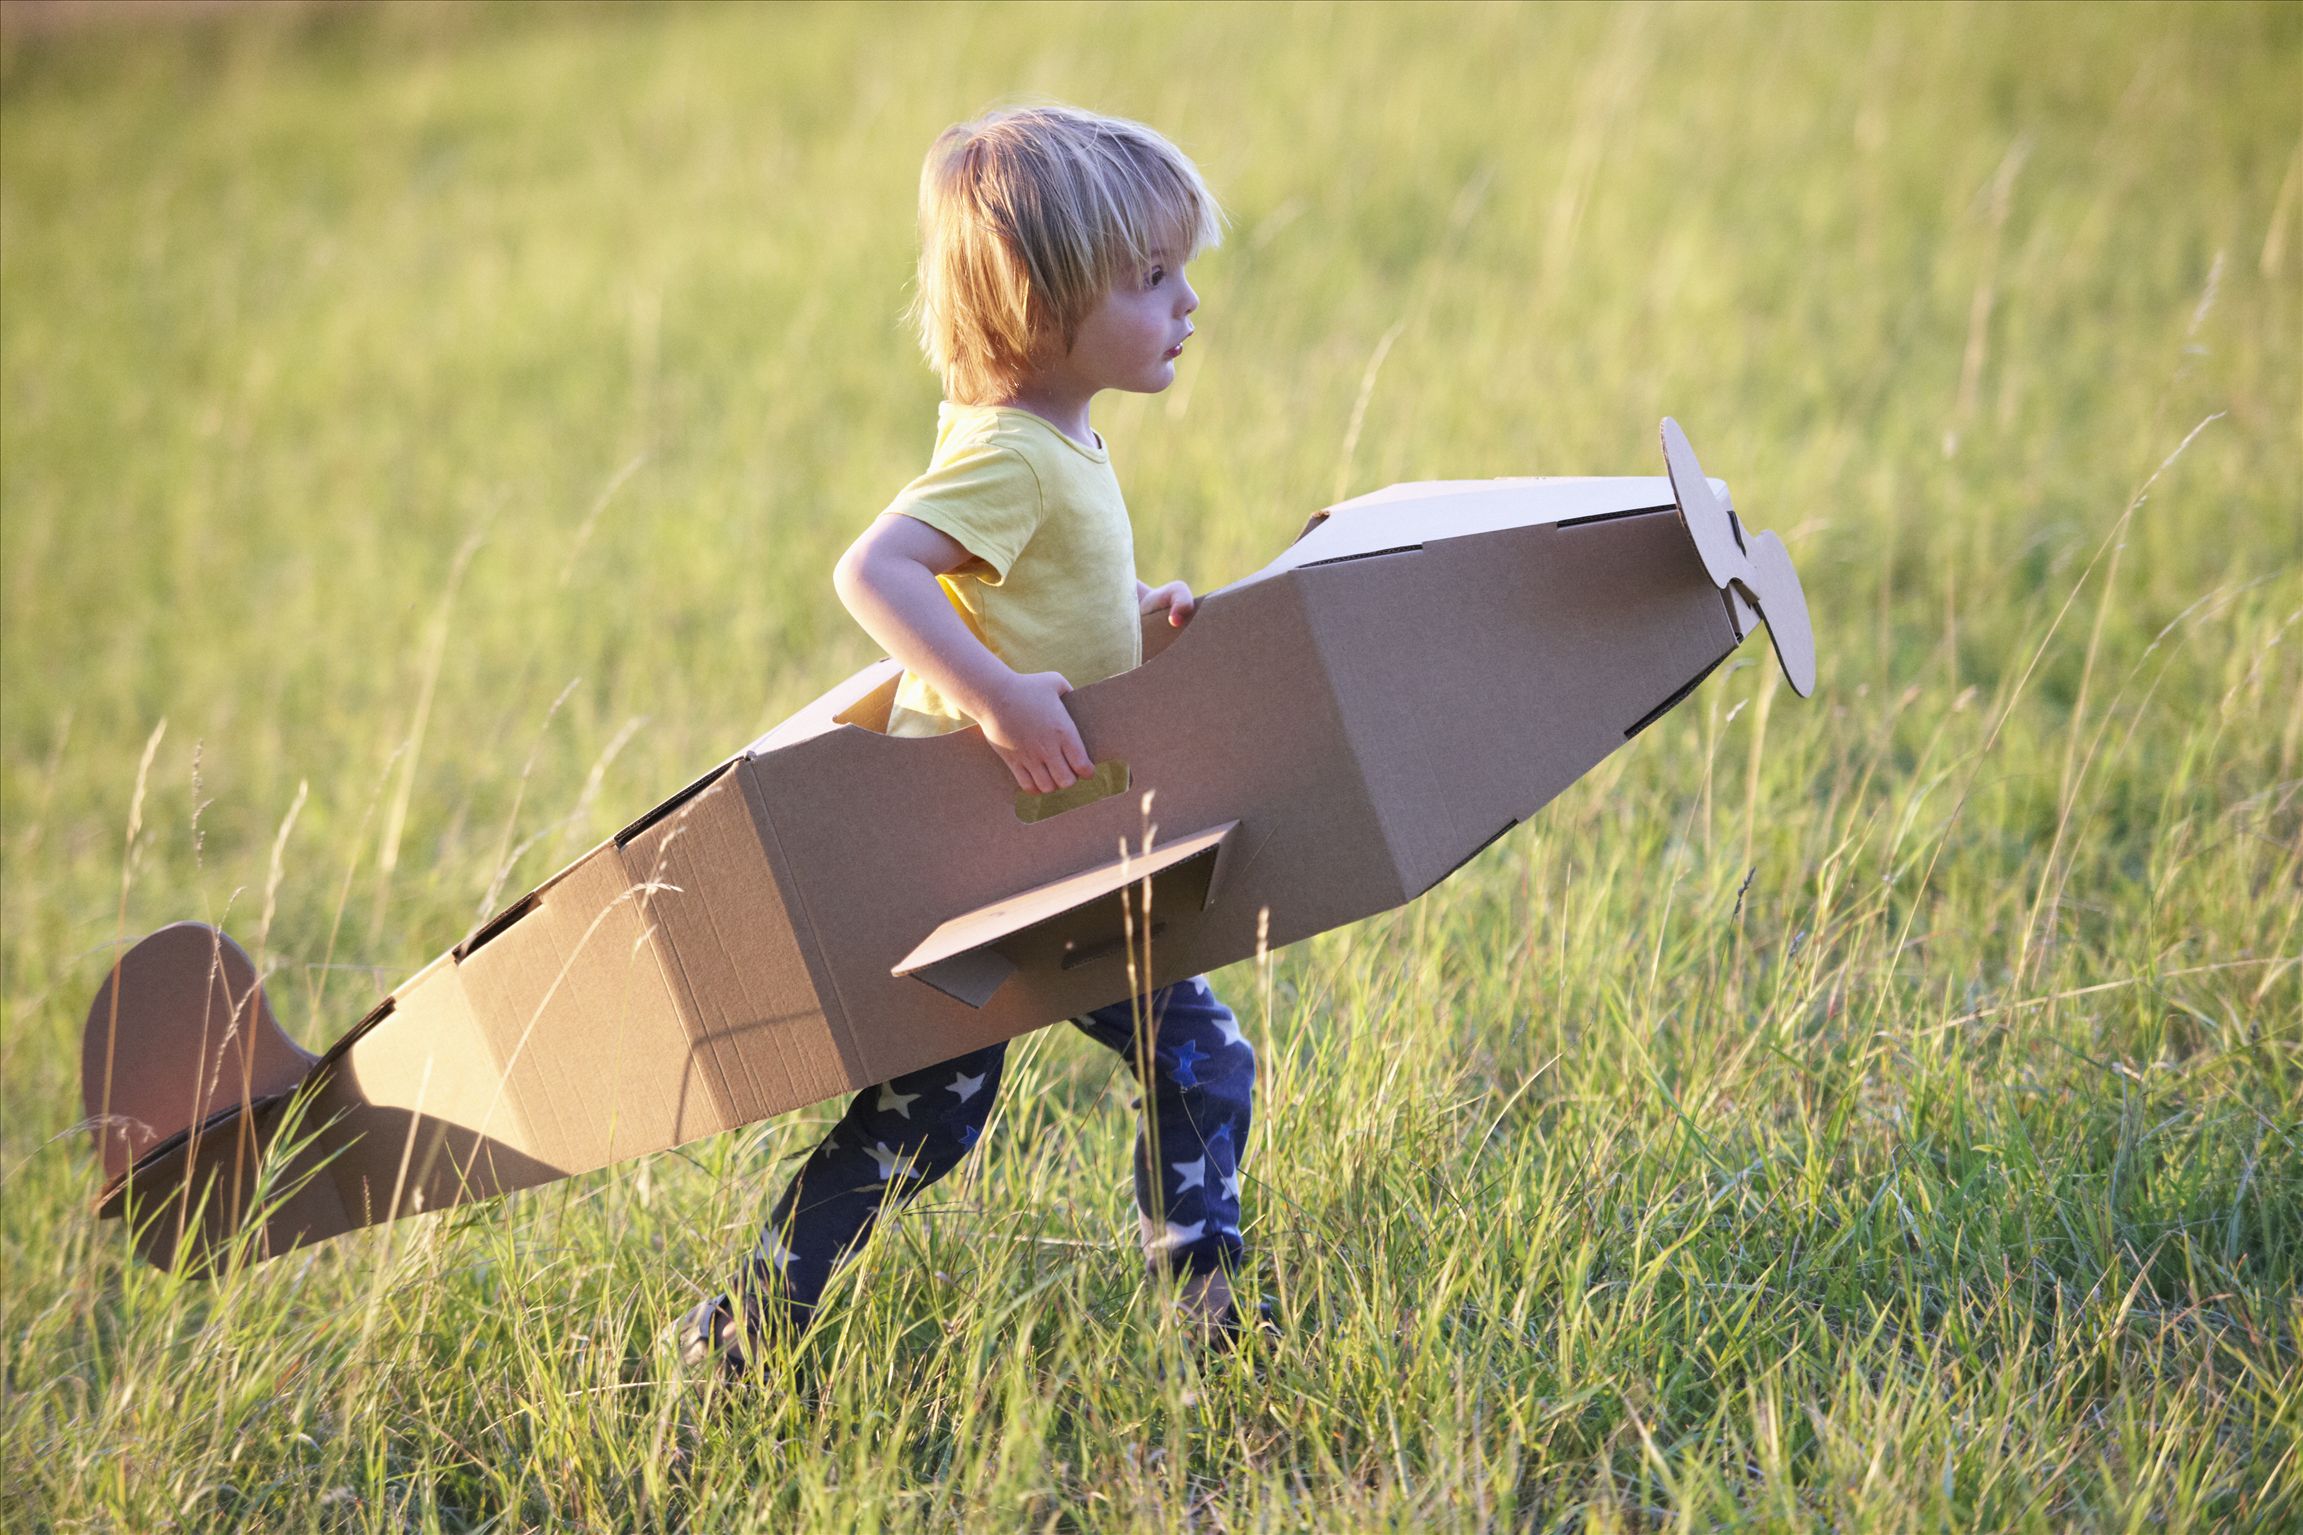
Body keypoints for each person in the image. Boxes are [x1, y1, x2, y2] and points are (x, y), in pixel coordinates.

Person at [679, 104, 1258, 1374]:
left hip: (1042, 845)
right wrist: (997, 696)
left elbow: (1025, 591)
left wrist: (1133, 618)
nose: (1185, 302)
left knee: (1167, 1059)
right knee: (950, 1113)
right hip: (982, 851)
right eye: (1150, 278)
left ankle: (1211, 1319)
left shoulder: (1056, 439)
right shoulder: (1010, 449)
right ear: (1041, 306)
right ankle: (740, 1332)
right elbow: (873, 570)